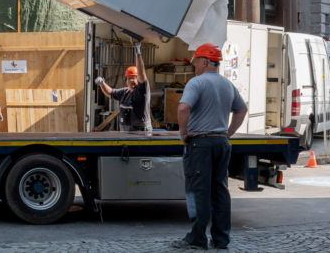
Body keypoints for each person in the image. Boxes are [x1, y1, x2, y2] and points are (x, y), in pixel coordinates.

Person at [171, 43, 248, 250]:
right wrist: (227, 132)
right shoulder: (227, 84)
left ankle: (197, 238)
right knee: (220, 190)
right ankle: (221, 239)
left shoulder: (196, 83)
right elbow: (242, 110)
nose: (195, 66)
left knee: (198, 191)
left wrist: (183, 133)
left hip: (201, 144)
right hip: (222, 143)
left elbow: (184, 107)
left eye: (196, 61)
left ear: (204, 62)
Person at [95, 41, 152, 132]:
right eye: (129, 78)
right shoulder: (124, 92)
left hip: (141, 134)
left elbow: (141, 72)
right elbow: (110, 93)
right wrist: (102, 83)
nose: (130, 80)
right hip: (125, 133)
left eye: (133, 78)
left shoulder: (142, 91)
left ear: (138, 79)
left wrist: (138, 53)